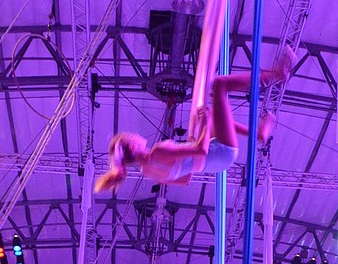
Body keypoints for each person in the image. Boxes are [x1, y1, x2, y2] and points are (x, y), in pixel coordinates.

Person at [95, 51, 293, 194]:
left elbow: (185, 180)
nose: (136, 135)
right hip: (220, 151)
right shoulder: (157, 152)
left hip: (216, 163)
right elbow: (201, 152)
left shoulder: (147, 170)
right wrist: (204, 126)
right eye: (132, 136)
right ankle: (277, 75)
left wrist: (190, 146)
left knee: (216, 113)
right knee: (219, 85)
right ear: (131, 145)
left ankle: (259, 134)